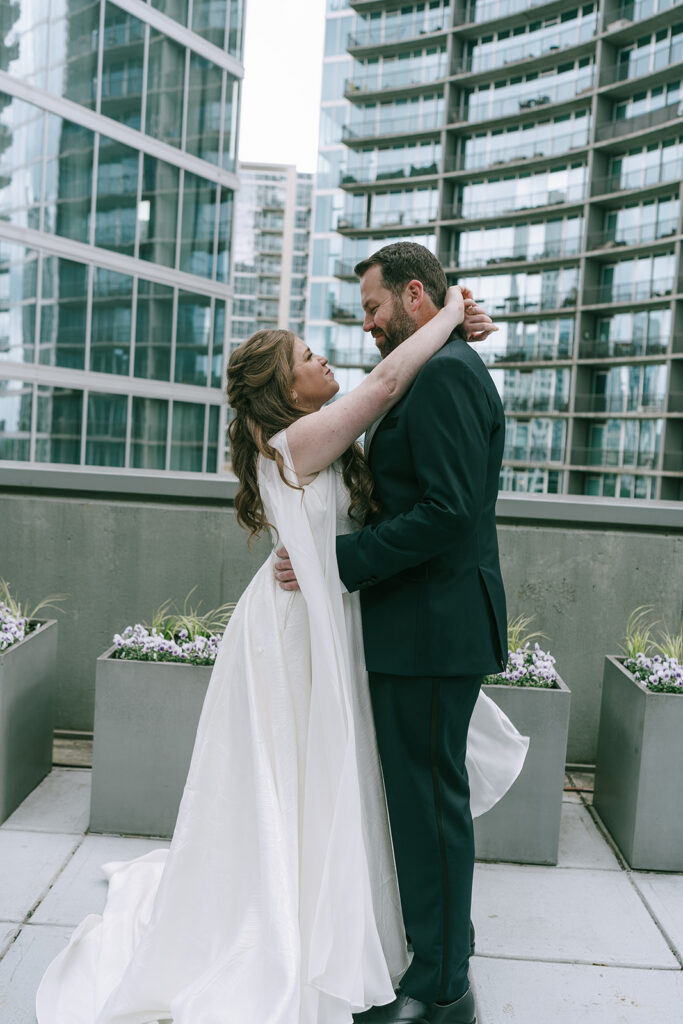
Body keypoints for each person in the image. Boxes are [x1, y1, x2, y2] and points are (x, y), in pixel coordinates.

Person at [36, 286, 527, 1024]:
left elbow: (403, 396)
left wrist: (457, 329)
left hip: (333, 618)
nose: (323, 352)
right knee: (302, 775)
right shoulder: (298, 442)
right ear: (281, 388)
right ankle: (300, 924)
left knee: (342, 775)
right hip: (295, 633)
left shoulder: (320, 432)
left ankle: (372, 924)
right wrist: (455, 314)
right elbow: (390, 381)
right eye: (305, 355)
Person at [275, 242, 517, 1024]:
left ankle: (443, 988)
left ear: (416, 296)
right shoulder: (436, 363)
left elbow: (446, 514)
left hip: (433, 630)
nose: (368, 325)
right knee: (417, 805)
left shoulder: (444, 376)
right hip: (421, 625)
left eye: (374, 308)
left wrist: (335, 559)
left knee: (428, 806)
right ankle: (433, 958)